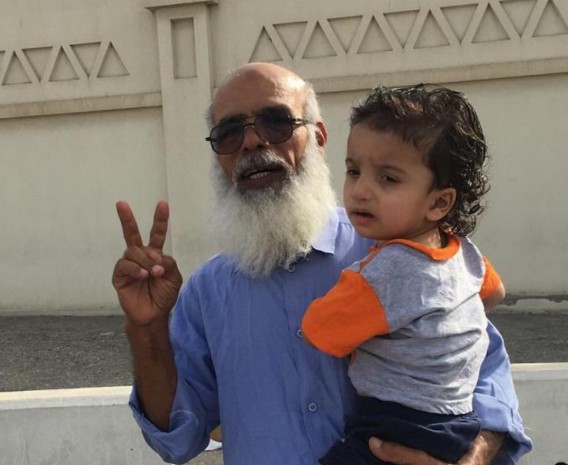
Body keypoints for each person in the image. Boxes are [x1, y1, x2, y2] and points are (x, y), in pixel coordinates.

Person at [111, 62, 532, 465]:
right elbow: (178, 438)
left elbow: (485, 371)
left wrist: (474, 456)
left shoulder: (402, 251)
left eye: (275, 122)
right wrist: (146, 328)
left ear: (318, 137)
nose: (252, 142)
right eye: (229, 132)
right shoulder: (207, 293)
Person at [302, 85, 507, 465]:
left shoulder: (385, 272)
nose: (360, 190)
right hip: (458, 424)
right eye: (353, 171)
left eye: (388, 179)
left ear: (439, 202)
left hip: (397, 425)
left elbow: (319, 332)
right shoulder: (463, 252)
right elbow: (494, 294)